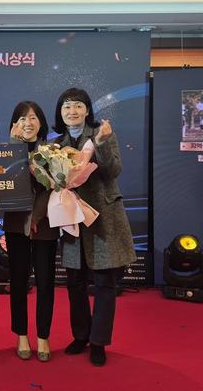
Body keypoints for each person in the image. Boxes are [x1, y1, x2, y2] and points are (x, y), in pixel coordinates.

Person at [52, 88, 136, 367]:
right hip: (72, 219)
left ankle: (99, 342)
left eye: (78, 106)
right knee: (75, 282)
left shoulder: (102, 133)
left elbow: (113, 171)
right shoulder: (56, 145)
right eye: (66, 107)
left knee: (103, 282)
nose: (72, 111)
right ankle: (81, 336)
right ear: (60, 113)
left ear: (87, 110)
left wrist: (99, 144)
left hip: (102, 217)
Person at [4, 101, 59, 362]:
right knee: (18, 281)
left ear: (41, 123)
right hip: (16, 224)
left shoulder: (52, 151)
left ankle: (43, 336)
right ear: (14, 124)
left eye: (33, 117)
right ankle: (21, 334)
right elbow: (8, 182)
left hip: (45, 224)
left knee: (46, 282)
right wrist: (14, 146)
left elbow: (53, 186)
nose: (28, 123)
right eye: (22, 118)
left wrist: (36, 216)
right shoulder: (7, 150)